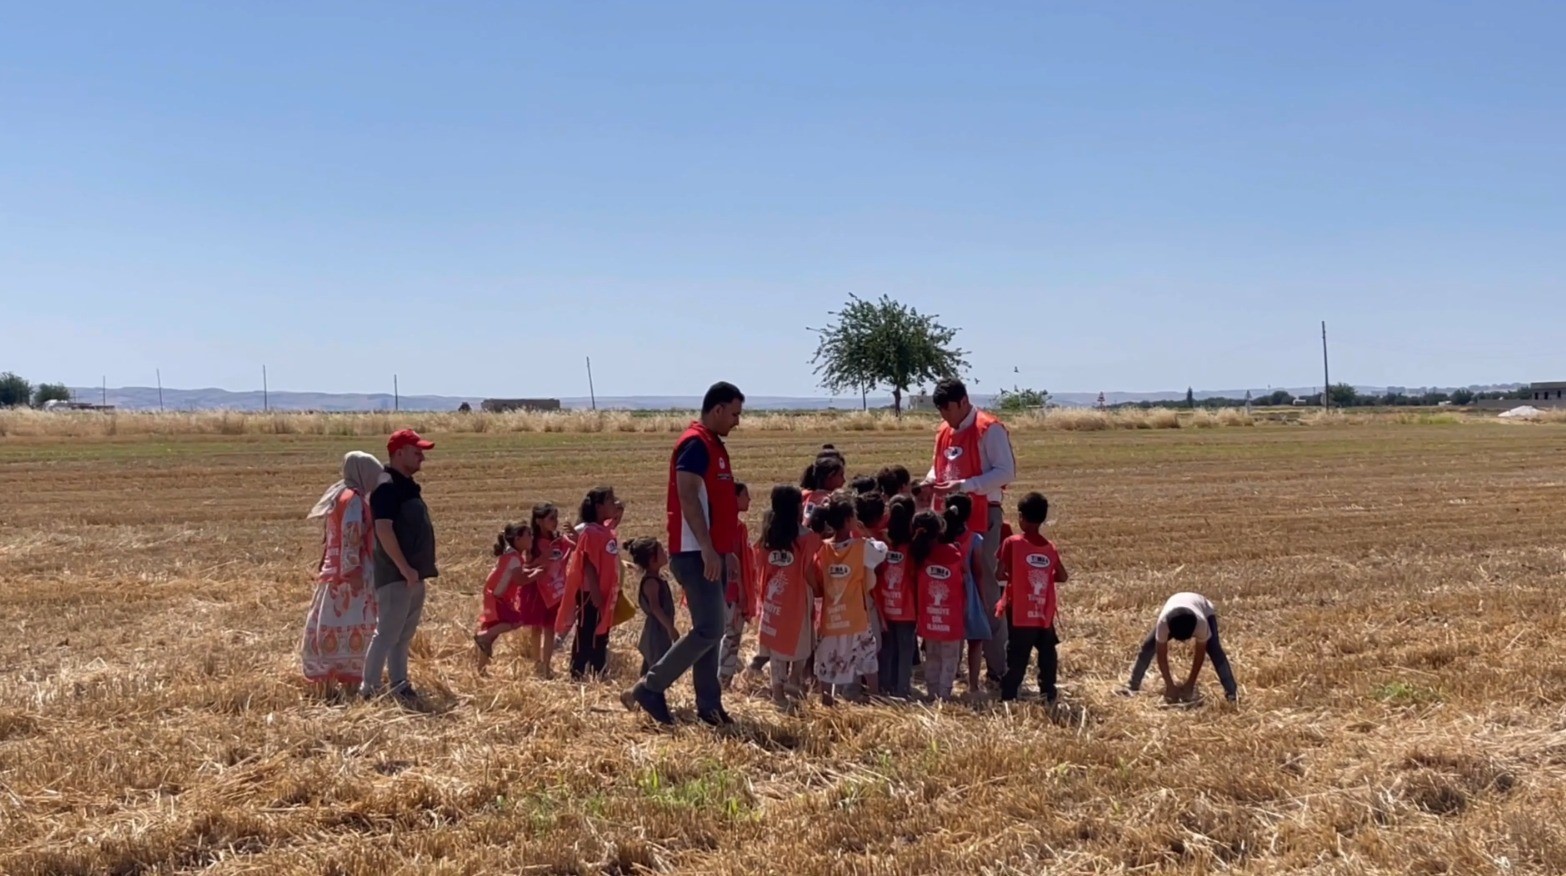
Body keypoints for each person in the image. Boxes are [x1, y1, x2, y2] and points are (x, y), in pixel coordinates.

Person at [624, 381, 746, 727]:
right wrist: (708, 548)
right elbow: (688, 497)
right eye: (734, 413)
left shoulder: (713, 445)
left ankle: (709, 706)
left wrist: (725, 552)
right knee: (709, 628)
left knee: (713, 630)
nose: (737, 421)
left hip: (712, 553)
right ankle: (651, 686)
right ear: (717, 409)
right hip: (695, 553)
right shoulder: (694, 444)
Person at [922, 377, 1016, 687]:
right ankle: (952, 665)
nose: (944, 416)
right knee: (948, 591)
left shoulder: (989, 429)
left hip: (982, 517)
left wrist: (966, 486)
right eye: (939, 410)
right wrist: (929, 482)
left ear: (963, 402)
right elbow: (938, 468)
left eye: (947, 408)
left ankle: (998, 668)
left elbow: (1006, 472)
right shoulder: (943, 432)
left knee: (987, 591)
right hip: (948, 522)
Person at [362, 429, 438, 705]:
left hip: (412, 575)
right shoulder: (387, 487)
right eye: (417, 452)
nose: (422, 458)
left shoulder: (404, 486)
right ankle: (367, 689)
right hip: (397, 575)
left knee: (402, 636)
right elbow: (383, 529)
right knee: (387, 634)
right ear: (399, 452)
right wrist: (404, 568)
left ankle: (399, 684)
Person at [301, 450, 384, 695]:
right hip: (351, 573)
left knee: (329, 619)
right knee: (353, 620)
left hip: (333, 570)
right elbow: (351, 537)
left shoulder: (338, 494)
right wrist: (353, 572)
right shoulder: (354, 499)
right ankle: (351, 675)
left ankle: (330, 674)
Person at [813, 494, 887, 705]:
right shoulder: (861, 547)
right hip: (856, 615)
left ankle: (826, 699)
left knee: (827, 658)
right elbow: (882, 551)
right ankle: (875, 697)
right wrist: (864, 533)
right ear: (848, 520)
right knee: (867, 656)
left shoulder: (823, 548)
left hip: (831, 616)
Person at [995, 492, 1067, 704]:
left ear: (1020, 517)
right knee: (1047, 655)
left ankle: (1008, 697)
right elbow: (1062, 576)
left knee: (1017, 657)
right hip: (1043, 612)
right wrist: (1044, 576)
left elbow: (998, 574)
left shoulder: (1012, 543)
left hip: (1019, 612)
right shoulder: (1049, 547)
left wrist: (1016, 577)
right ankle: (1048, 693)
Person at [752, 485, 821, 706]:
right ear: (797, 508)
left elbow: (760, 564)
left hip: (774, 599)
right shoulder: (807, 537)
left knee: (776, 647)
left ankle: (778, 693)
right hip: (798, 598)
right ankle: (795, 679)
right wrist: (819, 589)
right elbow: (809, 570)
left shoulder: (768, 535)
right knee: (802, 642)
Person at [556, 486, 621, 680]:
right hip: (590, 591)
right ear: (599, 507)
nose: (614, 503)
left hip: (605, 591)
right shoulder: (591, 532)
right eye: (610, 500)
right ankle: (577, 671)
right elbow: (588, 562)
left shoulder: (605, 530)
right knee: (586, 631)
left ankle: (597, 669)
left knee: (602, 630)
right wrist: (594, 591)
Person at [1126, 592, 1238, 703]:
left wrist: (1191, 683)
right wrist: (1169, 685)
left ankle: (1232, 693)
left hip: (1204, 607)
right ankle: (1132, 686)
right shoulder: (1163, 623)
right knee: (1148, 646)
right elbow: (1161, 657)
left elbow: (1199, 656)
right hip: (1175, 602)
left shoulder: (1201, 623)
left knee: (1214, 649)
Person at [909, 510, 964, 701]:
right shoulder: (953, 552)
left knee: (931, 655)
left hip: (928, 615)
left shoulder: (919, 554)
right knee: (949, 657)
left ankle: (931, 692)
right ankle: (944, 693)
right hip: (951, 616)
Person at [474, 523, 542, 675]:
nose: (532, 537)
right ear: (517, 539)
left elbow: (518, 574)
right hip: (498, 598)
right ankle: (482, 637)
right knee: (517, 620)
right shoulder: (514, 558)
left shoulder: (511, 556)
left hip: (493, 595)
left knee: (492, 632)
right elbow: (520, 580)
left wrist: (532, 568)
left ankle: (481, 670)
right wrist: (536, 574)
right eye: (528, 535)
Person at [945, 493, 993, 697]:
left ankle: (948, 680)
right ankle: (973, 685)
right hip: (969, 594)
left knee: (952, 642)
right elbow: (978, 573)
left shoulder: (943, 538)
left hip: (949, 594)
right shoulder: (975, 539)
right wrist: (982, 601)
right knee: (975, 641)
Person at [876, 495, 918, 698]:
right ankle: (902, 691)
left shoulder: (882, 544)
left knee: (887, 650)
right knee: (905, 651)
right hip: (907, 608)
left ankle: (885, 687)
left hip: (885, 605)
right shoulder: (914, 547)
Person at [718, 482, 755, 688]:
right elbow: (732, 558)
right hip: (732, 591)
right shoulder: (736, 527)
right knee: (731, 636)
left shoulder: (716, 524)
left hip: (718, 590)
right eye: (745, 495)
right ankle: (723, 680)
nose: (749, 500)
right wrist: (741, 588)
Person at [528, 502, 571, 678]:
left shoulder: (558, 540)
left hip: (555, 588)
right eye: (551, 518)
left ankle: (546, 666)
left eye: (556, 518)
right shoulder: (532, 542)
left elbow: (574, 547)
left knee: (550, 628)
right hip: (538, 589)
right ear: (539, 521)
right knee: (536, 628)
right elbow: (527, 565)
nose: (555, 522)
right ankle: (536, 663)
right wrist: (542, 559)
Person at [627, 536, 678, 675]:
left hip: (659, 630)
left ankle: (640, 693)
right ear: (652, 560)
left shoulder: (657, 578)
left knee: (652, 667)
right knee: (657, 667)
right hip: (656, 632)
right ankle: (648, 692)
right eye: (661, 551)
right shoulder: (651, 583)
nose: (665, 552)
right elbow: (656, 608)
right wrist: (670, 627)